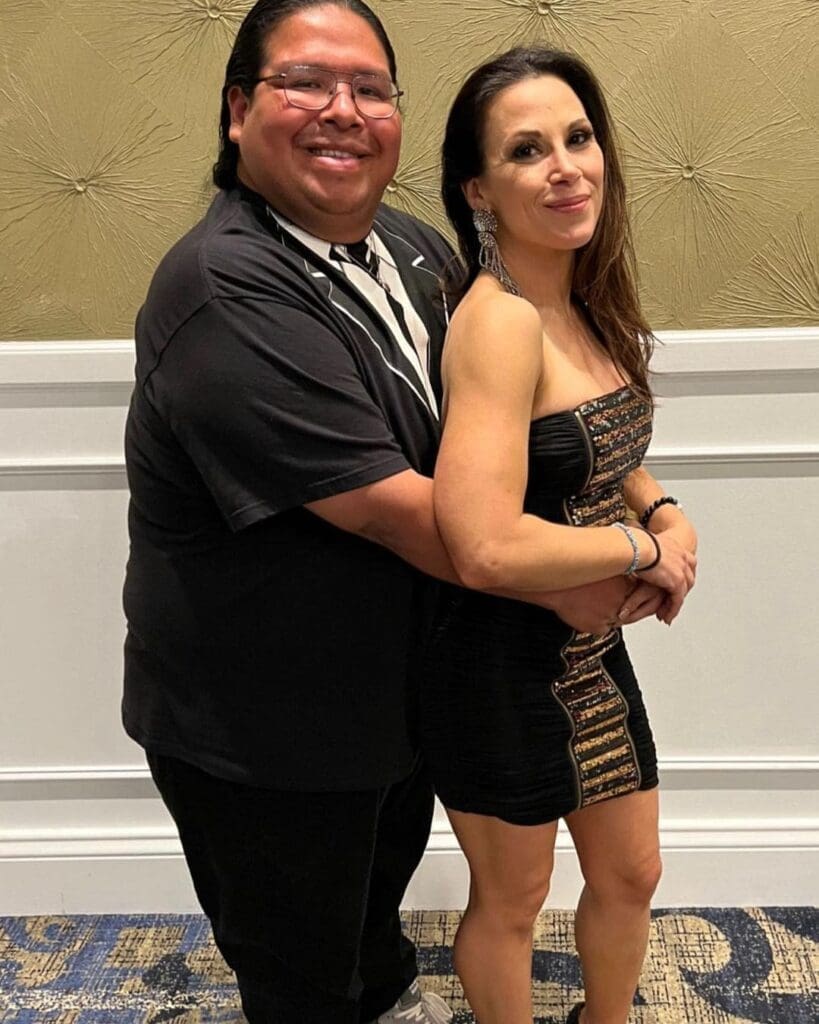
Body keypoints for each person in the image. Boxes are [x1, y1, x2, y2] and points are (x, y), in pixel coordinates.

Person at [122, 5, 647, 1022]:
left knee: (370, 938)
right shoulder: (225, 288)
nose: (343, 110)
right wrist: (597, 566)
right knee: (303, 972)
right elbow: (410, 516)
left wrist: (644, 503)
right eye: (305, 83)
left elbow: (527, 426)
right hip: (268, 720)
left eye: (370, 88)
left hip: (395, 688)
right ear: (238, 110)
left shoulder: (409, 250)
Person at [422, 47, 698, 1024]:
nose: (565, 167)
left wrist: (657, 507)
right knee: (515, 898)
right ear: (479, 191)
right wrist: (639, 551)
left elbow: (590, 446)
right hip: (497, 662)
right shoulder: (497, 324)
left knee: (632, 871)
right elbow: (485, 545)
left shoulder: (581, 302)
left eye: (578, 138)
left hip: (586, 650)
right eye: (527, 150)